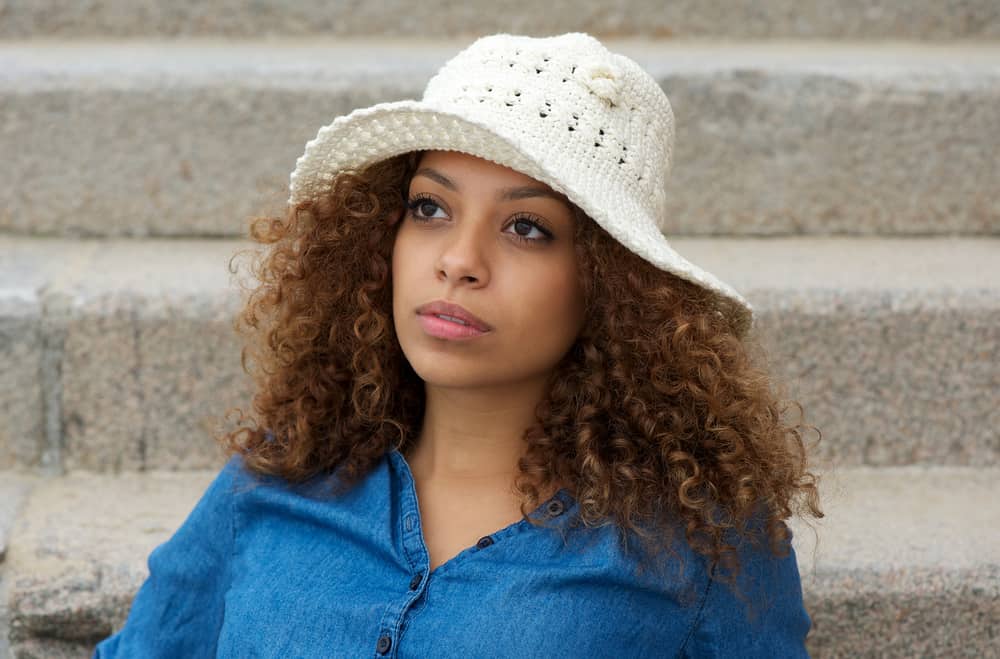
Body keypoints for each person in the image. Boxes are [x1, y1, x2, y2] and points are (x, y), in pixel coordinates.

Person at [93, 31, 823, 657]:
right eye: (430, 208)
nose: (458, 259)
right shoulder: (279, 476)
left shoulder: (700, 538)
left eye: (526, 227)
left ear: (607, 284)